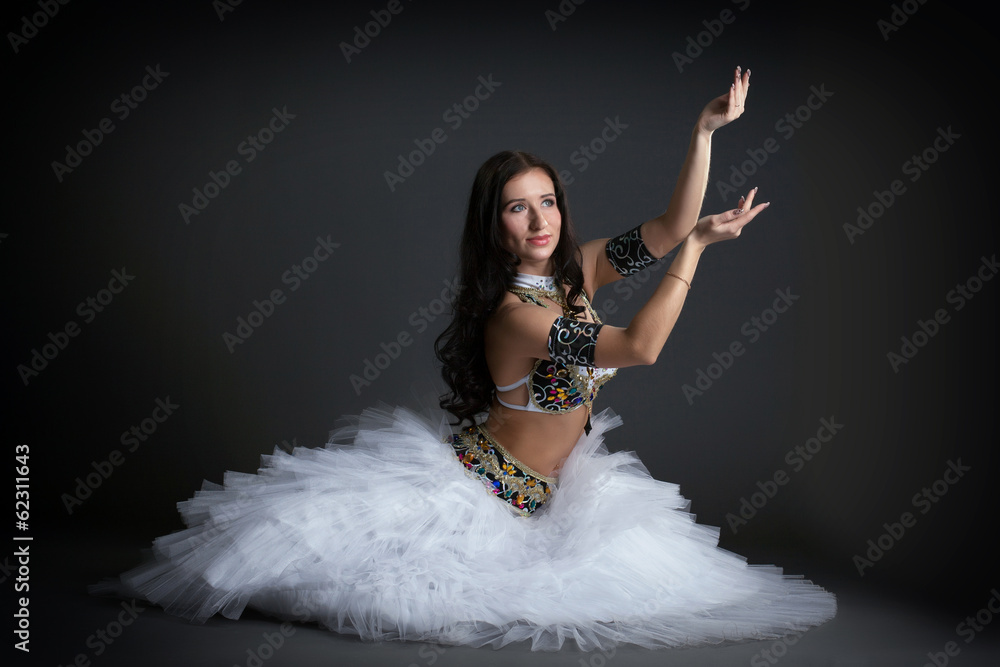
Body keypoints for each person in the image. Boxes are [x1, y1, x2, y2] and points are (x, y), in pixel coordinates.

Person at [93, 67, 836, 651]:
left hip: (557, 493)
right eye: (519, 206)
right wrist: (702, 248)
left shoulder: (578, 268)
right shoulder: (516, 314)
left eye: (547, 200)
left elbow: (670, 226)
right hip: (483, 498)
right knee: (350, 576)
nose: (540, 218)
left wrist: (704, 132)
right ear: (497, 227)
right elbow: (640, 346)